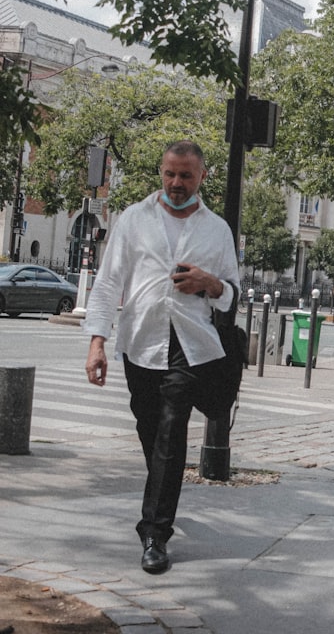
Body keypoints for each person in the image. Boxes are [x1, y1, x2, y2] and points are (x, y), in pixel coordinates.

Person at [83, 140, 240, 574]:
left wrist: (211, 283)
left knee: (172, 435)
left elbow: (231, 295)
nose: (176, 183)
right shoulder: (134, 219)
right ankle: (162, 490)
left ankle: (154, 533)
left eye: (186, 175)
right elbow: (108, 282)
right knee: (151, 429)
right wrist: (97, 341)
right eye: (170, 174)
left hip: (189, 345)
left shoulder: (217, 230)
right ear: (161, 171)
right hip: (141, 341)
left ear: (202, 177)